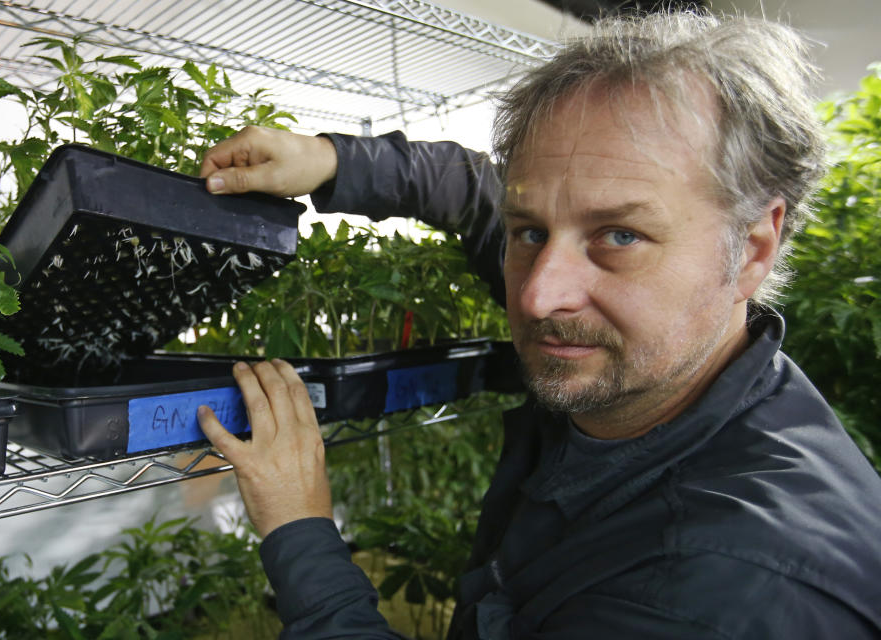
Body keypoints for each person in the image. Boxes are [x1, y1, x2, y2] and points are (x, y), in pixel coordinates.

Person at [195, 11, 881, 639]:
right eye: (530, 231)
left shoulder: (704, 594)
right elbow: (477, 194)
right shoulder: (648, 356)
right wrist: (334, 161)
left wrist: (298, 526)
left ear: (753, 250)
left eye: (619, 234)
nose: (537, 296)